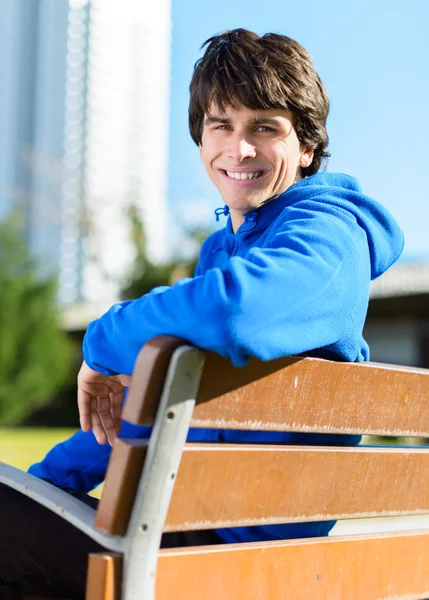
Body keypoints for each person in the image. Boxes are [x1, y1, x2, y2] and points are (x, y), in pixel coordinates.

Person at [1, 28, 403, 598]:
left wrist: (104, 338)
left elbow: (236, 313)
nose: (238, 149)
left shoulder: (329, 236)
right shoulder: (227, 250)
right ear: (200, 140)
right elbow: (158, 410)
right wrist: (39, 487)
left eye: (264, 127)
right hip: (185, 542)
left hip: (228, 567)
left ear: (307, 148)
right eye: (222, 125)